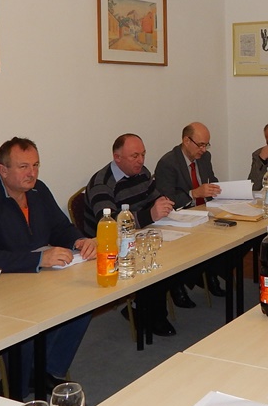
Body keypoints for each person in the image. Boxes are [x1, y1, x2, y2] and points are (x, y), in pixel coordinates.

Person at [0, 137, 96, 395]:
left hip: (39, 277)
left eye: (35, 165)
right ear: (2, 170)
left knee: (82, 304)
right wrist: (37, 260)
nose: (32, 173)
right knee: (26, 323)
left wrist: (78, 240)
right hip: (1, 285)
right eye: (23, 167)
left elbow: (59, 227)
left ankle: (48, 371)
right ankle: (15, 388)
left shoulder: (38, 191)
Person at [83, 133, 177, 336]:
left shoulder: (142, 172)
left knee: (176, 255)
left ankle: (147, 307)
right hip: (108, 249)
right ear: (117, 158)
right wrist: (150, 215)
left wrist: (162, 203)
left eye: (143, 154)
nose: (141, 160)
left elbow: (154, 197)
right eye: (135, 156)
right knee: (154, 260)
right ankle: (150, 315)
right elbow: (110, 225)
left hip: (140, 235)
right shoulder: (102, 184)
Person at [153, 122, 226, 301]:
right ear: (186, 141)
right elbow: (167, 200)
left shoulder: (205, 158)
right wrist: (193, 193)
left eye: (206, 145)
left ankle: (209, 273)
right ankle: (179, 283)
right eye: (200, 145)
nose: (204, 149)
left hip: (204, 214)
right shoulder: (167, 163)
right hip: (179, 220)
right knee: (199, 241)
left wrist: (220, 191)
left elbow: (212, 181)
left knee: (229, 236)